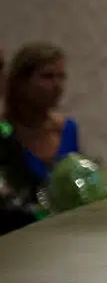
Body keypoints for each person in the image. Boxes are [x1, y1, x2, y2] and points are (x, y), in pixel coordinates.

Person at [4, 42, 80, 190]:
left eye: (61, 77)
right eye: (48, 76)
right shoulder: (5, 133)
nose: (57, 85)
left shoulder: (67, 129)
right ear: (21, 83)